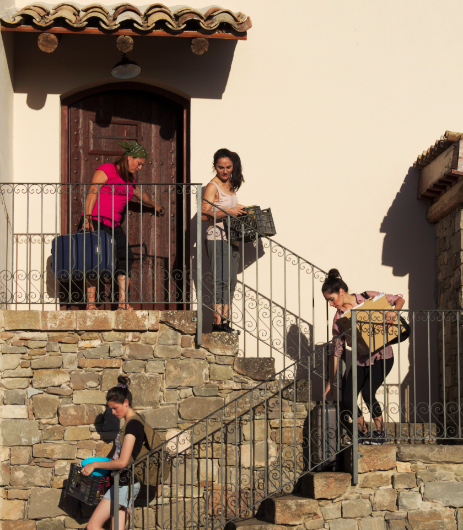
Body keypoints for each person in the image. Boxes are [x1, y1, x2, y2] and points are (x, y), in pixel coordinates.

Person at [322, 269, 405, 444]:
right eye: (328, 301)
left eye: (331, 299)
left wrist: (394, 312)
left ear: (341, 292)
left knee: (367, 392)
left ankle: (381, 433)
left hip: (382, 356)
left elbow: (398, 299)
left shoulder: (367, 297)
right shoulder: (338, 319)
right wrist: (331, 380)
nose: (330, 304)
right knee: (347, 398)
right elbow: (337, 350)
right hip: (360, 360)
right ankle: (362, 432)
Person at [81, 141, 164, 310]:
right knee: (94, 260)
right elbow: (93, 191)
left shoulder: (130, 181)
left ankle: (122, 302)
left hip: (114, 224)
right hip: (96, 220)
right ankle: (90, 304)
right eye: (139, 163)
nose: (140, 168)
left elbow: (141, 196)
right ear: (128, 157)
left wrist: (155, 205)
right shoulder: (107, 169)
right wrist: (87, 218)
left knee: (126, 257)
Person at [83, 376, 144, 530]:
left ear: (126, 403)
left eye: (115, 408)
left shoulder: (132, 426)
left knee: (93, 526)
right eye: (111, 408)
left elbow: (123, 462)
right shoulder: (133, 423)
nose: (113, 412)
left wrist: (95, 464)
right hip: (125, 483)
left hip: (124, 484)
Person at [202, 148, 246, 332]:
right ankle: (217, 322)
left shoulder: (230, 184)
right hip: (217, 237)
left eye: (228, 167)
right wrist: (229, 211)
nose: (225, 171)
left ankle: (225, 321)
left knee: (230, 282)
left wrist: (243, 209)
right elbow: (204, 213)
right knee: (220, 280)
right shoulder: (213, 186)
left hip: (231, 238)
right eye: (221, 167)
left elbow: (228, 207)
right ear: (215, 167)